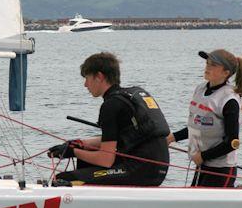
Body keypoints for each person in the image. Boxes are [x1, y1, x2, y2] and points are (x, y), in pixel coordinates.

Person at [48, 52, 169, 186]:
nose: (85, 85)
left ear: (99, 76)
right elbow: (118, 138)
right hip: (157, 168)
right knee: (86, 158)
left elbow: (105, 159)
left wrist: (73, 152)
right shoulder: (128, 96)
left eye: (87, 78)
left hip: (140, 170)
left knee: (64, 179)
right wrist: (80, 143)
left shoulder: (111, 105)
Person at [167, 49, 242, 187]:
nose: (207, 67)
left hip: (221, 169)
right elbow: (197, 126)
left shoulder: (229, 100)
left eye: (213, 65)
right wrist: (172, 138)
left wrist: (203, 156)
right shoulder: (200, 89)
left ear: (226, 73)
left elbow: (232, 142)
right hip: (202, 165)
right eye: (207, 63)